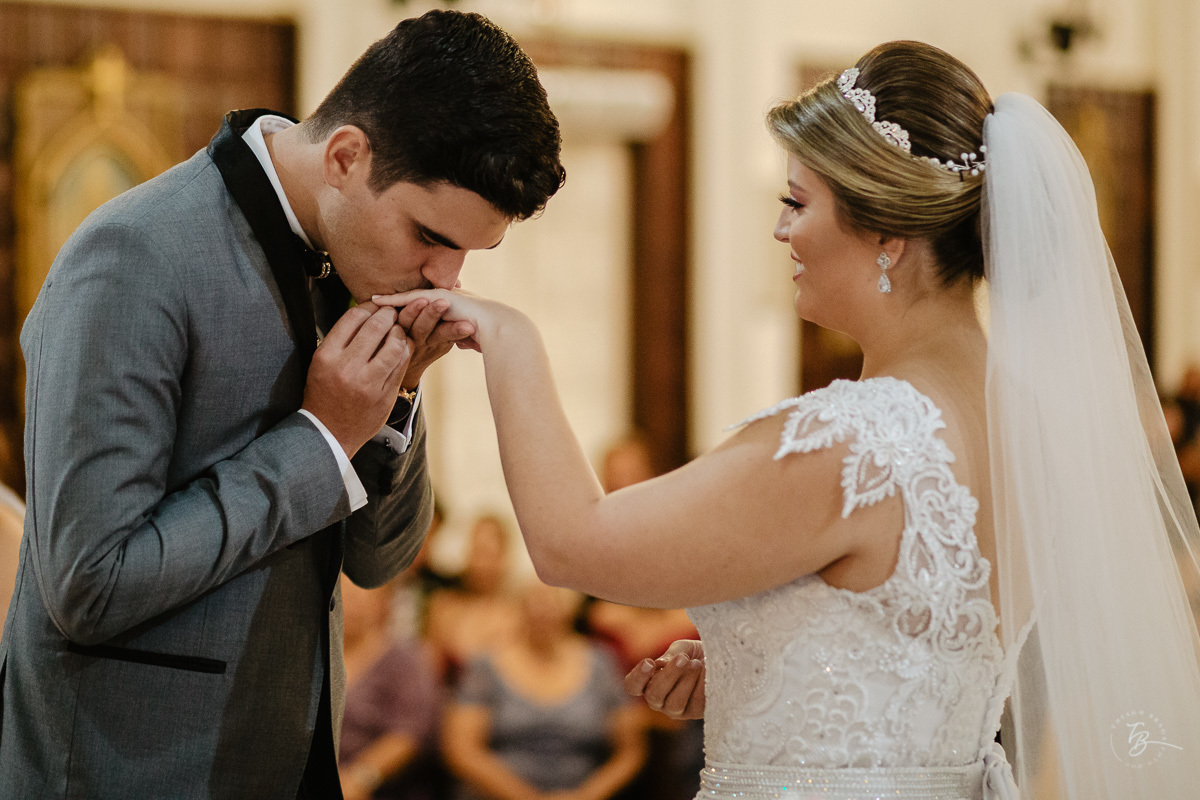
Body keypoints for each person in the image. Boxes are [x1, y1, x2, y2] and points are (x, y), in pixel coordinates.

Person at [378, 41, 1200, 799]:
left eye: (796, 201)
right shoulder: (1028, 432)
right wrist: (768, 664)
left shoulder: (857, 442)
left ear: (886, 230)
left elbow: (572, 544)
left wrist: (510, 338)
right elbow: (917, 649)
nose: (780, 230)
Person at [0, 9, 563, 800]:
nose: (448, 278)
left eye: (471, 250)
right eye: (430, 236)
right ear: (345, 156)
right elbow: (90, 583)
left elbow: (377, 561)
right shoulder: (134, 256)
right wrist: (320, 439)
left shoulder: (363, 263)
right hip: (131, 769)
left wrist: (398, 394)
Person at [442, 581, 646, 800]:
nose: (544, 611)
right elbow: (462, 750)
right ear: (519, 606)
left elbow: (630, 750)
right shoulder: (486, 665)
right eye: (536, 601)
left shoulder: (601, 664)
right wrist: (527, 797)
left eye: (554, 601)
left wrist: (587, 795)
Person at [338, 576, 443, 800]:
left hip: (379, 786)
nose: (354, 602)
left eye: (365, 593)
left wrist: (360, 776)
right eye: (345, 592)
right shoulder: (312, 654)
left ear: (383, 602)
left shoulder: (406, 660)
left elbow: (410, 733)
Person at [427, 513, 520, 681]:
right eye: (477, 552)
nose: (481, 564)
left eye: (489, 554)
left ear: (504, 558)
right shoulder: (443, 606)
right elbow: (429, 668)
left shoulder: (517, 615)